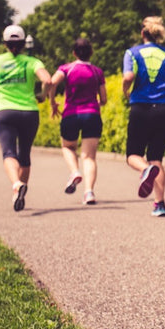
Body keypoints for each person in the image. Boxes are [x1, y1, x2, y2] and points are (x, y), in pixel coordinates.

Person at [0, 24, 52, 212]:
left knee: (9, 153)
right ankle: (18, 194)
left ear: (5, 43)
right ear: (22, 44)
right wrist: (43, 95)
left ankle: (16, 185)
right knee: (25, 155)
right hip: (29, 112)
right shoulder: (32, 62)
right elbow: (48, 80)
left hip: (5, 111)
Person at [122, 17, 165, 217]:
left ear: (143, 33)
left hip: (141, 108)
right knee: (156, 157)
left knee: (133, 155)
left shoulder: (132, 53)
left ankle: (144, 170)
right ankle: (160, 204)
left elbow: (128, 77)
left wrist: (126, 91)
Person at [48, 37, 107, 205]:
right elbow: (103, 98)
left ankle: (74, 172)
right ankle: (89, 193)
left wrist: (53, 102)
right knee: (89, 157)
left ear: (74, 53)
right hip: (92, 115)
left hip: (71, 115)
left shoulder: (66, 68)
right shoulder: (97, 72)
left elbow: (51, 83)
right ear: (92, 53)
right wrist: (97, 102)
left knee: (67, 147)